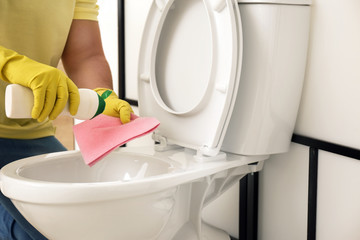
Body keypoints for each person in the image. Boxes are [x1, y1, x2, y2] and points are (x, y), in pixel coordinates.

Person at [0, 1, 133, 239]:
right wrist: (10, 64)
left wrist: (101, 96)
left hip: (29, 128)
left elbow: (85, 55)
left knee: (78, 225)